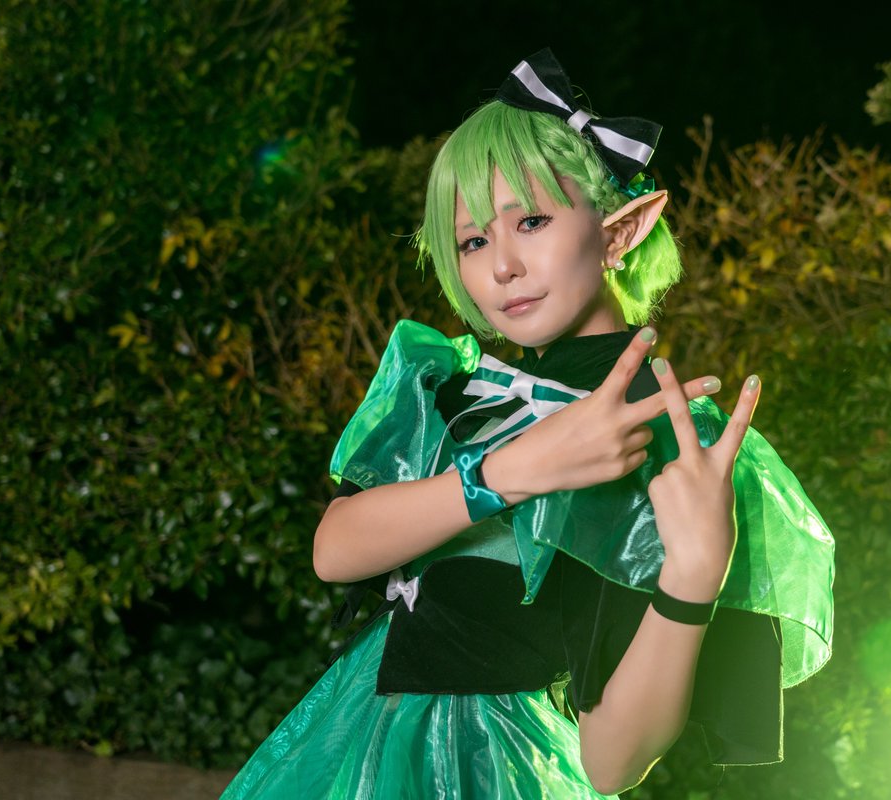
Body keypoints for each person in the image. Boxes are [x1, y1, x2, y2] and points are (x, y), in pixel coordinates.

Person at [221, 49, 834, 799]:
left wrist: (695, 573)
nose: (501, 266)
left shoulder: (653, 430)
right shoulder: (458, 382)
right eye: (473, 241)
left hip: (496, 767)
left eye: (532, 221)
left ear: (619, 232)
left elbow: (612, 764)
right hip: (350, 745)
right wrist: (511, 471)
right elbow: (335, 550)